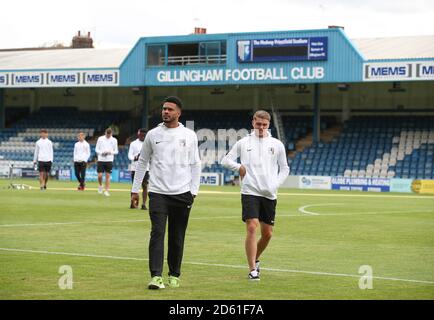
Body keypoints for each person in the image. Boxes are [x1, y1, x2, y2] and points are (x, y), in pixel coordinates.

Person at [131, 96, 201, 290]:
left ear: (179, 112)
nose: (166, 112)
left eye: (170, 109)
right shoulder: (153, 135)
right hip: (158, 193)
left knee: (177, 236)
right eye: (164, 109)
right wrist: (135, 189)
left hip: (182, 193)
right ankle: (155, 276)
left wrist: (193, 191)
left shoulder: (189, 135)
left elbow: (195, 164)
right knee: (157, 233)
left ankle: (174, 274)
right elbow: (142, 162)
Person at [221, 110, 289, 281]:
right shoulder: (243, 142)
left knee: (268, 234)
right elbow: (225, 160)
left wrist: (275, 184)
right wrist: (239, 168)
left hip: (269, 193)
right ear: (253, 122)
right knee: (252, 227)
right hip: (250, 191)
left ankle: (255, 259)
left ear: (268, 125)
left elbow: (285, 168)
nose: (261, 127)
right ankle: (252, 269)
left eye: (264, 125)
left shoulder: (277, 144)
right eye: (258, 124)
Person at [128, 128, 149, 210]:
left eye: (144, 135)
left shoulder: (148, 144)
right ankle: (133, 203)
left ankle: (143, 204)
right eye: (141, 135)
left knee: (145, 186)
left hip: (146, 168)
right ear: (138, 134)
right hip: (135, 168)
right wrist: (135, 157)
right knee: (134, 186)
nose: (143, 137)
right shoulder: (133, 144)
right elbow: (129, 155)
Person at [95, 128, 118, 196]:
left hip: (109, 160)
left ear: (111, 134)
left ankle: (106, 191)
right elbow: (96, 149)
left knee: (108, 176)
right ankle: (100, 186)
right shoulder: (100, 139)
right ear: (105, 133)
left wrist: (110, 152)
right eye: (107, 134)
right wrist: (102, 153)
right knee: (100, 175)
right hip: (101, 159)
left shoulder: (114, 140)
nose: (108, 136)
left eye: (109, 134)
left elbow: (116, 151)